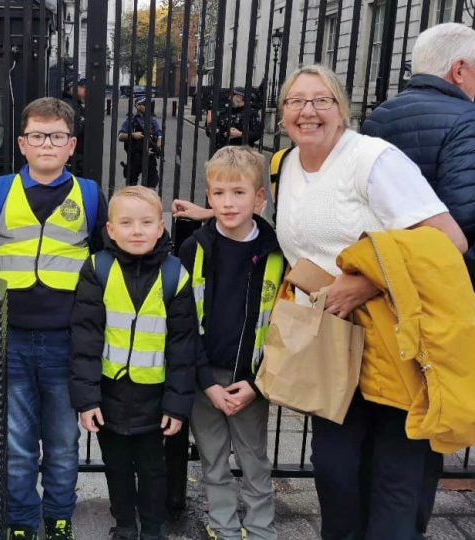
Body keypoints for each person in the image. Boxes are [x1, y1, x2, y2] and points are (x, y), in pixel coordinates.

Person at [273, 64, 466, 540]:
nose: (309, 111)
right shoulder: (286, 165)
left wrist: (366, 282)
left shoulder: (373, 159)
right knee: (335, 469)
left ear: (342, 110)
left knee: (393, 471)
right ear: (282, 114)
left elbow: (448, 239)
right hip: (331, 339)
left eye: (322, 100)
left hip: (393, 334)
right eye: (296, 101)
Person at [0, 97, 108, 540]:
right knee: (15, 442)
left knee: (62, 441)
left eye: (56, 136)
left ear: (71, 145)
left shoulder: (90, 195)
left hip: (64, 340)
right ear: (22, 143)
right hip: (9, 337)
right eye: (37, 135)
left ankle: (58, 517)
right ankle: (20, 521)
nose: (46, 144)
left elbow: (107, 261)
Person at [361, 26, 475, 535]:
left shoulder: (377, 117)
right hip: (442, 299)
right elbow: (463, 221)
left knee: (387, 425)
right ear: (459, 70)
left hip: (381, 291)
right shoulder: (468, 120)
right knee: (430, 426)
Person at [69, 186, 196, 540]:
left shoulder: (175, 274)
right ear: (110, 229)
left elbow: (183, 346)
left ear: (161, 227)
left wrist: (177, 403)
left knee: (155, 470)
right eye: (126, 222)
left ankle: (153, 529)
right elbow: (85, 338)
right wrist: (87, 399)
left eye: (145, 222)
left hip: (156, 397)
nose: (136, 230)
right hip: (109, 393)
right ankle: (124, 526)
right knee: (117, 467)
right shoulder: (98, 268)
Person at [178, 146, 282, 540]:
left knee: (254, 459)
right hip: (204, 377)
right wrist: (205, 381)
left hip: (252, 379)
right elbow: (183, 322)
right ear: (208, 196)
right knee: (213, 459)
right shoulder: (194, 249)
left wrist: (256, 384)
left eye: (239, 193)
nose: (228, 202)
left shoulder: (275, 251)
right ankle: (221, 525)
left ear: (258, 198)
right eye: (219, 193)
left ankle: (260, 528)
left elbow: (284, 325)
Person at [119, 96, 162, 189]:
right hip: (135, 156)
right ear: (137, 106)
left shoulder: (152, 120)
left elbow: (160, 136)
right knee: (131, 184)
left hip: (149, 156)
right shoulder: (130, 120)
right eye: (145, 104)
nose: (148, 106)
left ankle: (149, 202)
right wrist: (133, 135)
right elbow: (120, 136)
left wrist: (155, 149)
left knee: (151, 184)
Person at [61, 75, 86, 176]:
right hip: (74, 158)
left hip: (78, 155)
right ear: (72, 88)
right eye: (82, 86)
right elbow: (72, 132)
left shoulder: (76, 105)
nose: (85, 88)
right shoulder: (68, 106)